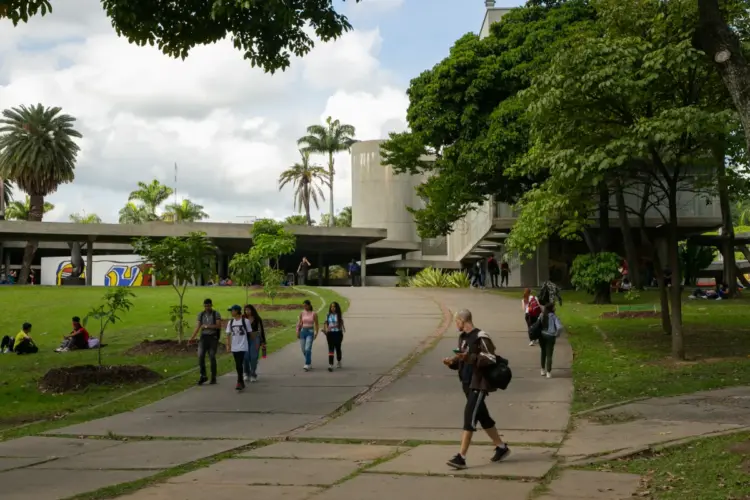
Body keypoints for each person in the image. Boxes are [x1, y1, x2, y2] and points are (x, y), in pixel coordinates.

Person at [442, 310, 510, 470]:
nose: (455, 325)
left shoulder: (481, 337)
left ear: (462, 320)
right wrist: (452, 362)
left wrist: (469, 358)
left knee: (469, 417)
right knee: (483, 417)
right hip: (466, 383)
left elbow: (491, 358)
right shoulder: (462, 338)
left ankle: (461, 457)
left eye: (456, 321)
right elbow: (462, 361)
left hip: (478, 384)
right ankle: (501, 447)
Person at [189, 298, 222, 385]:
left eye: (208, 306)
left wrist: (207, 326)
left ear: (211, 305)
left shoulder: (216, 314)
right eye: (205, 306)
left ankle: (213, 377)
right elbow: (198, 326)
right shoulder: (201, 314)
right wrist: (192, 337)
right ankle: (203, 376)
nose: (207, 307)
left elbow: (218, 326)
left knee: (211, 356)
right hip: (204, 337)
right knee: (200, 356)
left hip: (213, 337)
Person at [225, 305, 252, 391]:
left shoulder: (245, 321)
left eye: (232, 311)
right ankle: (241, 382)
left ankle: (239, 381)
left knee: (239, 364)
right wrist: (228, 345)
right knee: (238, 364)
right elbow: (228, 334)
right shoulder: (231, 322)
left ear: (237, 311)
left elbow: (250, 333)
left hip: (243, 345)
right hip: (234, 346)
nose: (231, 312)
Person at [242, 304, 266, 383]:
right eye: (246, 310)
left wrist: (263, 342)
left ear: (252, 310)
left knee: (254, 357)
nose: (247, 311)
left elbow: (261, 330)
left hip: (255, 338)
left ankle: (253, 373)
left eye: (248, 310)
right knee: (246, 356)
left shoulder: (257, 319)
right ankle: (246, 372)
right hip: (245, 339)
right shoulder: (243, 318)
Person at [539, 302, 564, 379]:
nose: (555, 308)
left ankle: (542, 369)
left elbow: (538, 324)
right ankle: (548, 372)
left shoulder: (542, 315)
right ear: (551, 308)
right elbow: (559, 327)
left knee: (543, 352)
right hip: (550, 336)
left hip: (542, 335)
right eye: (554, 307)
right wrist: (557, 334)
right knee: (549, 354)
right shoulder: (554, 317)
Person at [296, 299, 318, 371]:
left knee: (307, 348)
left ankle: (307, 364)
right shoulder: (302, 313)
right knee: (303, 349)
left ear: (309, 305)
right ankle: (309, 361)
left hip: (310, 331)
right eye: (303, 306)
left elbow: (316, 324)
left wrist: (316, 332)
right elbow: (299, 323)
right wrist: (297, 331)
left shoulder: (314, 314)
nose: (304, 307)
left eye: (306, 305)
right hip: (303, 331)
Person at [323, 302, 345, 371]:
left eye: (334, 307)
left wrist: (332, 326)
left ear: (337, 307)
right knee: (331, 348)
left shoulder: (339, 315)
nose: (333, 308)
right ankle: (330, 364)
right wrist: (326, 329)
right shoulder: (328, 315)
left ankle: (339, 360)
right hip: (330, 334)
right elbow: (326, 323)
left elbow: (340, 325)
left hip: (338, 333)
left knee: (338, 348)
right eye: (331, 307)